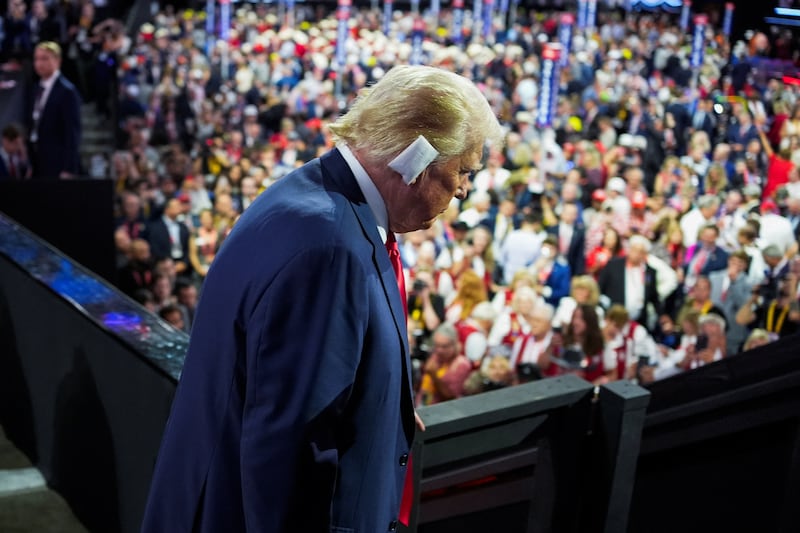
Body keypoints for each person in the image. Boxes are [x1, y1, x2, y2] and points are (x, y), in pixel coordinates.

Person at [140, 65, 503, 533]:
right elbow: (290, 450)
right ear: (417, 159)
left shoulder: (316, 198)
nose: (464, 188)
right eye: (464, 170)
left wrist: (379, 400)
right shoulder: (330, 249)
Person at [27, 41, 82, 179]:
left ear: (57, 60)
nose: (39, 63)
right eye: (37, 59)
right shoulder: (35, 89)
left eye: (45, 58)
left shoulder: (67, 91)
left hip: (58, 163)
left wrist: (69, 168)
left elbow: (72, 132)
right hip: (38, 161)